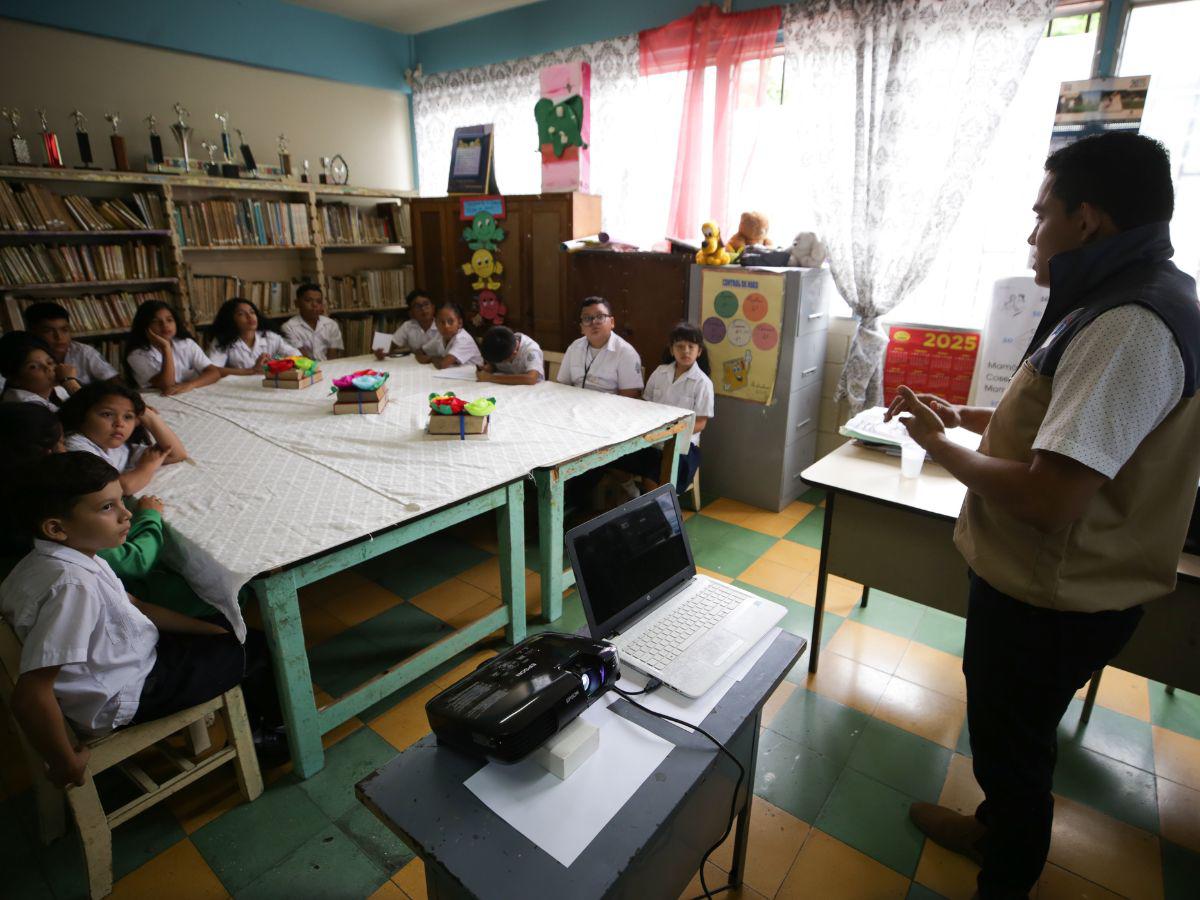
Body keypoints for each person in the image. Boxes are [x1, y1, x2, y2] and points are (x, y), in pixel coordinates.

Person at [886, 132, 1200, 899]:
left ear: (1086, 220)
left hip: (1050, 594)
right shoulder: (1133, 295)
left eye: (1041, 216)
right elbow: (1076, 420)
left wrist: (938, 444)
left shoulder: (1131, 323)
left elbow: (1050, 495)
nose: (1032, 235)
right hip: (1051, 590)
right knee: (1011, 738)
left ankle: (1006, 873)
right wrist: (966, 413)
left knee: (1014, 754)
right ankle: (992, 829)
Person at [0, 453, 251, 786]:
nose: (126, 514)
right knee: (245, 652)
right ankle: (265, 735)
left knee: (222, 631)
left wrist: (210, 630)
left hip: (120, 665)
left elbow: (137, 606)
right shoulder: (72, 587)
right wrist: (64, 763)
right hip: (126, 694)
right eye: (107, 508)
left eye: (120, 501)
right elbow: (31, 695)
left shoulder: (60, 558)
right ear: (56, 528)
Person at [0, 404, 208, 618]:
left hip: (106, 587)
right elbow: (134, 563)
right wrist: (149, 517)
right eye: (61, 442)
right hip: (115, 593)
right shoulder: (66, 512)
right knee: (203, 592)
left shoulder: (21, 495)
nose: (66, 448)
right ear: (47, 452)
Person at [625, 321, 714, 494]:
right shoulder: (660, 372)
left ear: (699, 351)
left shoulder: (703, 383)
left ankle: (660, 514)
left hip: (683, 447)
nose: (685, 351)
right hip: (652, 440)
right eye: (680, 346)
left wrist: (671, 436)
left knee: (655, 473)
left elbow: (701, 423)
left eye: (691, 346)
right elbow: (645, 403)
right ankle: (636, 497)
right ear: (672, 350)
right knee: (615, 462)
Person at [59, 381, 188, 495]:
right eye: (107, 414)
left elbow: (176, 454)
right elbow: (121, 487)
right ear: (80, 415)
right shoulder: (75, 445)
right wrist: (148, 466)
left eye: (128, 417)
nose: (120, 423)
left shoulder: (116, 446)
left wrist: (147, 414)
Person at [125, 300, 221, 395]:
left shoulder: (187, 343)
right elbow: (167, 385)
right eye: (156, 322)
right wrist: (166, 348)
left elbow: (214, 373)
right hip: (157, 398)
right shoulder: (136, 355)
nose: (165, 325)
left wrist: (190, 385)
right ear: (145, 327)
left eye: (169, 320)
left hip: (188, 392)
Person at [556, 296, 642, 397]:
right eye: (587, 318)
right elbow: (562, 384)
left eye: (600, 317)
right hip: (575, 404)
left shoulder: (626, 352)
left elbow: (629, 396)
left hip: (608, 409)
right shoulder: (574, 347)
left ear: (612, 322)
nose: (594, 322)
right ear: (582, 328)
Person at [22, 301, 118, 386]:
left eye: (65, 330)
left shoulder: (83, 352)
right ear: (32, 332)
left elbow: (114, 381)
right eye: (48, 331)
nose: (59, 337)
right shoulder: (27, 359)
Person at [206, 298, 300, 375]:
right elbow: (213, 369)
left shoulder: (269, 337)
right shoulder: (223, 340)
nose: (250, 316)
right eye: (241, 314)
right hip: (235, 387)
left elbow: (296, 355)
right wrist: (251, 371)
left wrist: (276, 363)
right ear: (230, 319)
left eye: (252, 312)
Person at [0, 332, 77, 408]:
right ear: (14, 379)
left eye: (50, 362)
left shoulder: (55, 389)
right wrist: (69, 381)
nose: (48, 368)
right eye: (33, 367)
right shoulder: (24, 405)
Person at [281, 283, 343, 361]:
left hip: (328, 367)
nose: (314, 305)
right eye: (308, 300)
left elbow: (332, 357)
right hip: (305, 369)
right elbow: (303, 359)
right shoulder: (288, 327)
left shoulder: (331, 324)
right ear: (297, 303)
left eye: (319, 301)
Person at [415, 301, 483, 369]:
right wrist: (434, 358)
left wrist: (431, 358)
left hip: (475, 376)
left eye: (450, 321)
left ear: (459, 323)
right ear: (436, 323)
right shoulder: (440, 336)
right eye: (441, 322)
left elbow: (442, 364)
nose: (446, 326)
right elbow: (420, 351)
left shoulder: (463, 338)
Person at [376, 289, 438, 359]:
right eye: (418, 306)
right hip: (417, 365)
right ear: (411, 313)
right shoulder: (408, 326)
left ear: (433, 307)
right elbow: (391, 345)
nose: (423, 309)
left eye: (426, 304)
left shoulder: (441, 325)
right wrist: (381, 351)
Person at [478, 325, 544, 385]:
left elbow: (531, 379)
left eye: (502, 361)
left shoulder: (531, 350)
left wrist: (490, 378)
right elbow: (494, 365)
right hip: (505, 388)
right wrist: (489, 368)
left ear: (514, 353)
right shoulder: (500, 343)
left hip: (532, 391)